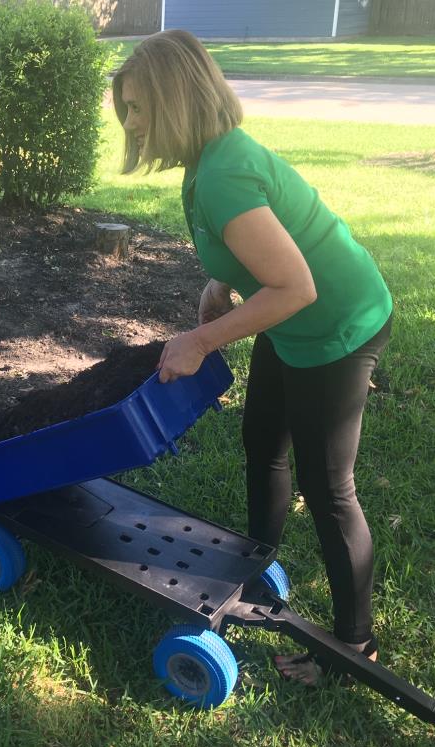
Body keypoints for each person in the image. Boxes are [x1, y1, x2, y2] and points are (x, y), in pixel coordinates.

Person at [113, 30, 393, 685]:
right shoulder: (210, 161)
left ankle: (356, 650)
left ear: (176, 100)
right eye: (124, 107)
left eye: (137, 106)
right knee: (263, 442)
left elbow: (296, 286)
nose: (128, 122)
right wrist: (221, 283)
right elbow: (260, 250)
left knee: (330, 491)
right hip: (295, 322)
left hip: (339, 328)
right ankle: (252, 568)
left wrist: (204, 338)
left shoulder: (224, 173)